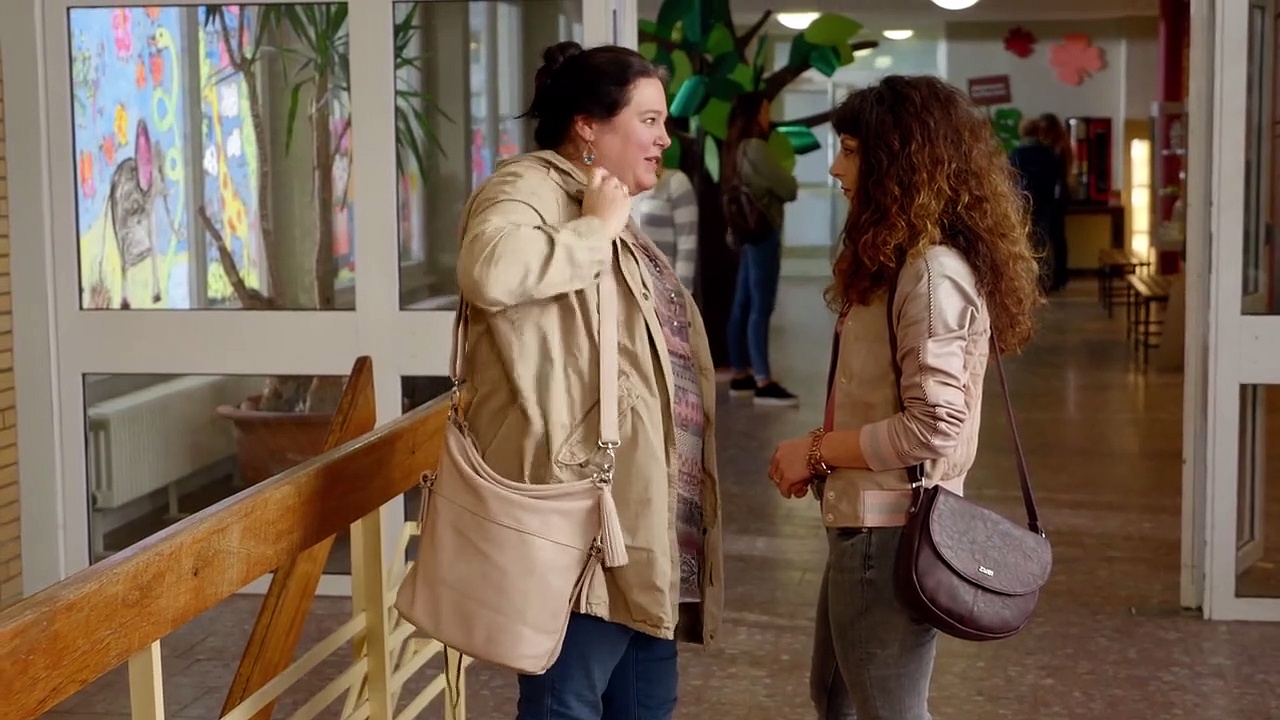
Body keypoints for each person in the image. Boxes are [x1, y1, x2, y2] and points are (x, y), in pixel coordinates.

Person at [454, 40, 724, 720]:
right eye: (649, 120)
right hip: (584, 519)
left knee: (645, 703)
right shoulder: (528, 187)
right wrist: (594, 231)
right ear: (587, 126)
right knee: (567, 702)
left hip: (639, 518)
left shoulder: (603, 202)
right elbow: (489, 270)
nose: (664, 138)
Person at [765, 75, 1042, 719]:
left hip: (887, 531)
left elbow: (935, 426)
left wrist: (816, 450)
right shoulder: (905, 263)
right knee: (838, 697)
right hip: (868, 523)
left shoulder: (930, 273)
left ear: (899, 161)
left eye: (851, 151)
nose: (835, 168)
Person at [723, 91, 800, 406]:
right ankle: (763, 381)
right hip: (762, 231)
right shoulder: (755, 147)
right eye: (766, 110)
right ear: (756, 114)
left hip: (745, 232)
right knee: (760, 305)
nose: (769, 117)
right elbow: (788, 188)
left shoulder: (734, 147)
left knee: (742, 302)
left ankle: (741, 373)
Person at [1008, 117, 1066, 291]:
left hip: (1022, 203)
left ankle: (1027, 282)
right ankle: (1044, 281)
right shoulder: (1049, 153)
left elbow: (1011, 179)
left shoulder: (1016, 153)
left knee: (1024, 243)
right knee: (1042, 241)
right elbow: (1057, 178)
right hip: (1045, 203)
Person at [633, 162, 699, 290]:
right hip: (634, 287)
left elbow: (687, 246)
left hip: (664, 289)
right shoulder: (624, 184)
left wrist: (682, 294)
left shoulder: (676, 182)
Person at [1037, 112, 1073, 291]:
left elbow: (1054, 175)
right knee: (1058, 237)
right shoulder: (1063, 145)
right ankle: (1060, 275)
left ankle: (1057, 276)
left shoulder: (1054, 148)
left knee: (1053, 237)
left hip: (1055, 196)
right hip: (1061, 195)